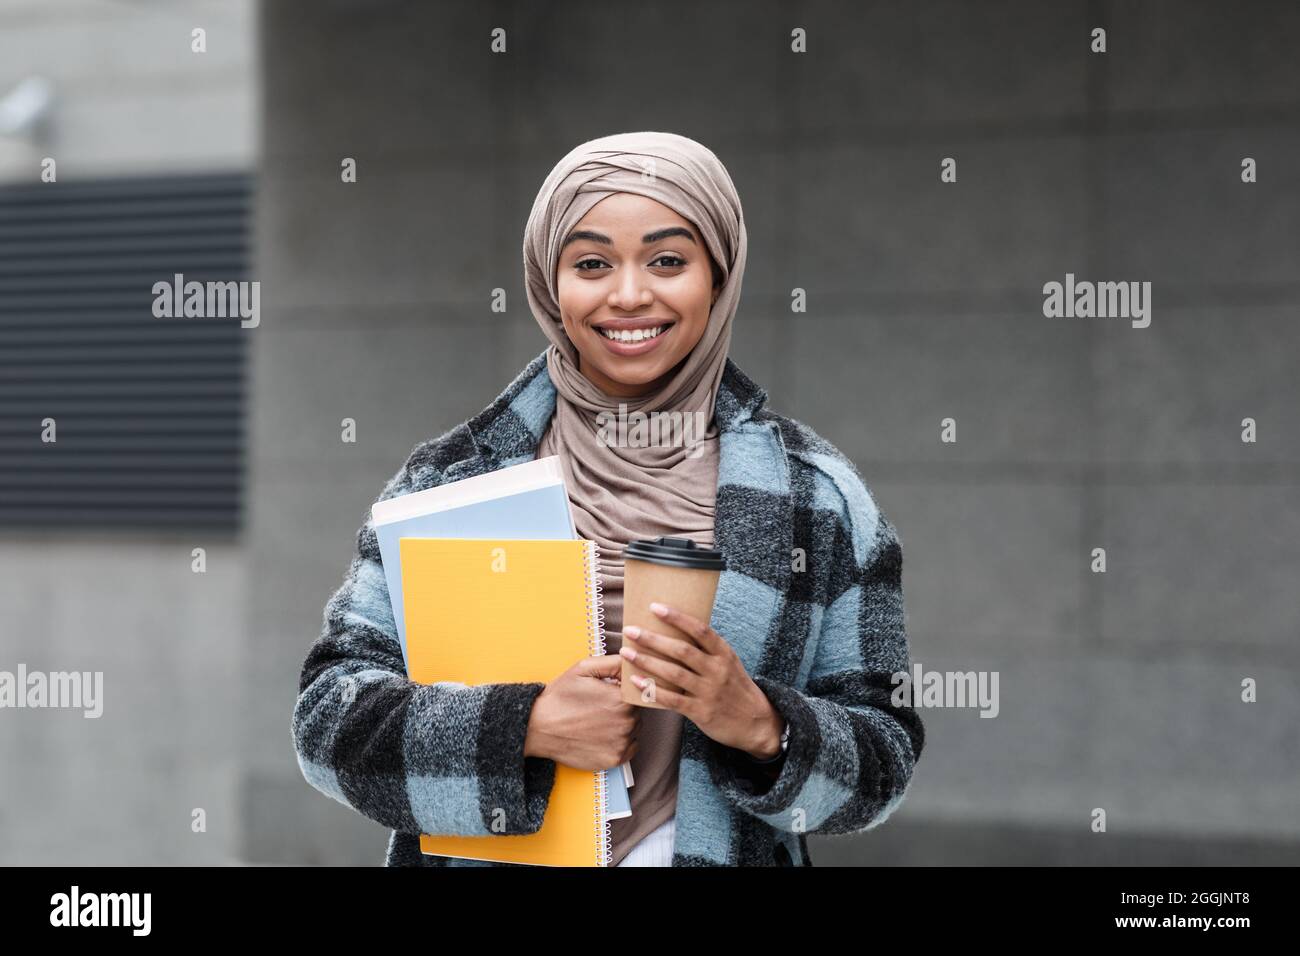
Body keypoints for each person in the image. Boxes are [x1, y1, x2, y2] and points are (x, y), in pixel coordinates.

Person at [291, 131, 925, 867]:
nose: (629, 295)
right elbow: (327, 725)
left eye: (667, 260)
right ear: (548, 284)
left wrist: (760, 725)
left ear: (718, 278)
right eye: (591, 263)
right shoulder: (451, 479)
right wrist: (520, 726)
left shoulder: (815, 498)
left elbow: (885, 763)